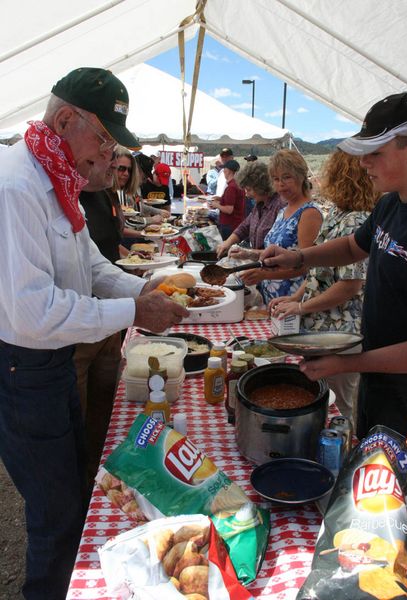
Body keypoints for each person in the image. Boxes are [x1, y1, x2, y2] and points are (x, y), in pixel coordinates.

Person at [0, 66, 189, 599]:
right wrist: (135, 313)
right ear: (65, 120)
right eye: (104, 140)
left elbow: (92, 268)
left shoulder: (56, 179)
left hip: (50, 363)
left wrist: (143, 289)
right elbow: (32, 312)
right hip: (23, 366)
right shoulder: (16, 186)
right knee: (55, 514)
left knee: (74, 488)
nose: (110, 156)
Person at [261, 92, 407, 550]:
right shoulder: (391, 204)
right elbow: (352, 248)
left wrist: (347, 363)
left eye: (374, 154)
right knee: (376, 498)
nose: (363, 165)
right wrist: (298, 256)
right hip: (383, 387)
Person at [269, 150, 379, 426]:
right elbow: (319, 270)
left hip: (341, 337)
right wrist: (292, 297)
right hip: (322, 332)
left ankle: (348, 455)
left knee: (344, 407)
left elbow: (349, 287)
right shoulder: (338, 214)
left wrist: (302, 306)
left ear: (342, 177)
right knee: (324, 400)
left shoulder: (356, 219)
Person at [77, 156, 125, 491]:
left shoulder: (103, 195)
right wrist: (136, 306)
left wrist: (140, 292)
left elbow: (100, 260)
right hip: (78, 330)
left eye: (121, 165)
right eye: (108, 157)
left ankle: (99, 479)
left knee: (106, 412)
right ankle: (80, 490)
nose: (116, 168)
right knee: (75, 424)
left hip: (107, 319)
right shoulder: (68, 195)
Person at [235, 149, 322, 304]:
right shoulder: (283, 211)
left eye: (286, 177)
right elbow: (278, 254)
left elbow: (306, 267)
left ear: (301, 176)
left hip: (293, 300)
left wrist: (264, 275)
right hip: (275, 299)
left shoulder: (309, 213)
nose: (280, 184)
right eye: (275, 179)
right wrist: (249, 254)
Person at [216, 160, 285, 257]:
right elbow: (244, 227)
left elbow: (281, 251)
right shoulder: (259, 205)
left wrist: (249, 253)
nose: (246, 194)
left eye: (249, 190)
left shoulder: (279, 206)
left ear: (261, 187)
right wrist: (227, 242)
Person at [209, 159, 245, 240]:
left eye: (224, 169)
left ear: (228, 171)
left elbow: (229, 210)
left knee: (227, 249)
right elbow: (234, 201)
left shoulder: (231, 187)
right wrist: (221, 198)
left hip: (229, 224)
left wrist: (216, 205)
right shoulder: (236, 184)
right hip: (235, 223)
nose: (223, 171)